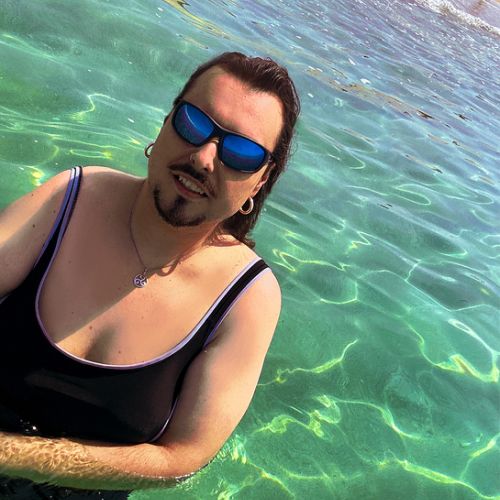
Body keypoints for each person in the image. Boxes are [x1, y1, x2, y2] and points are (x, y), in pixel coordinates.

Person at [0, 51, 300, 495]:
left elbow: (182, 458)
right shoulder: (72, 198)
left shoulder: (247, 299)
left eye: (241, 152)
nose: (204, 157)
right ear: (165, 123)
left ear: (260, 180)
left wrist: (12, 456)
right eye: (193, 123)